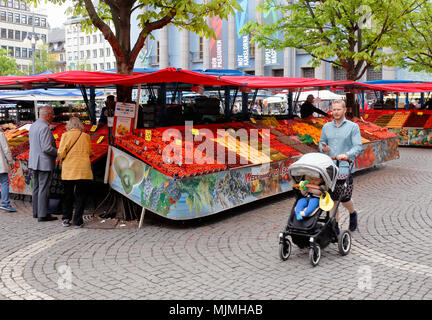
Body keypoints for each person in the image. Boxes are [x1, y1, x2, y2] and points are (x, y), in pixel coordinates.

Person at [319, 99, 362, 233]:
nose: (336, 112)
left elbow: (358, 146)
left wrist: (347, 154)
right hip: (330, 168)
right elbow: (321, 143)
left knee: (344, 198)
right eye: (334, 109)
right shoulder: (326, 127)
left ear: (344, 110)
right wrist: (323, 148)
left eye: (338, 109)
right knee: (333, 199)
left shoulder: (353, 127)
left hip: (344, 167)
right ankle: (335, 226)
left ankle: (352, 212)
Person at [58, 117, 93, 228]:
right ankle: (78, 221)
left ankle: (66, 218)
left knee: (68, 195)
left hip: (69, 170)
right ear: (80, 125)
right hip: (83, 170)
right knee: (80, 196)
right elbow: (89, 152)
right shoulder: (86, 136)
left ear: (69, 125)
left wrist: (62, 159)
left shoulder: (65, 135)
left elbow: (61, 152)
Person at [28, 106, 58, 222]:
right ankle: (43, 214)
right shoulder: (45, 127)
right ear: (48, 115)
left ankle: (36, 212)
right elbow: (46, 148)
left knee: (36, 187)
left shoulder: (34, 125)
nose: (53, 116)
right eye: (52, 114)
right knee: (43, 188)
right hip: (43, 162)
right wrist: (58, 152)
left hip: (34, 160)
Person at [0, 128, 16, 212]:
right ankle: (5, 203)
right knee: (4, 182)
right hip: (0, 164)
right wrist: (10, 161)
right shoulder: (0, 134)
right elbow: (6, 149)